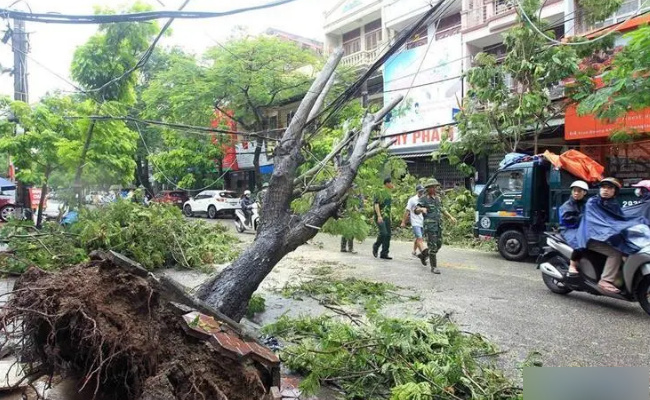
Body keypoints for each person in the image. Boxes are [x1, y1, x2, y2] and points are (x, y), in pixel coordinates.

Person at [580, 178, 625, 293]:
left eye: (609, 188)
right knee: (616, 253)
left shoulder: (614, 204)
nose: (606, 190)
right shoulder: (592, 203)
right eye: (603, 187)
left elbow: (621, 220)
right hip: (591, 237)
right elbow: (596, 223)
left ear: (615, 191)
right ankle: (605, 280)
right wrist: (611, 231)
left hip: (606, 238)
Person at [414, 179, 457, 274]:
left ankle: (424, 254)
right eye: (432, 187)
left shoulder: (438, 198)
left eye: (435, 187)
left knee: (439, 244)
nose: (434, 188)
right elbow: (416, 210)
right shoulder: (424, 198)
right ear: (428, 188)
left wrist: (450, 217)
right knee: (433, 246)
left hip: (438, 225)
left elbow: (442, 209)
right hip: (429, 226)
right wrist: (421, 209)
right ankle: (434, 267)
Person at [559, 180, 589, 276]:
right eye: (574, 190)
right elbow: (567, 220)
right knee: (579, 241)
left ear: (584, 192)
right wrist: (583, 218)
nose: (576, 193)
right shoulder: (567, 205)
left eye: (579, 191)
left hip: (583, 227)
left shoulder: (587, 203)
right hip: (569, 228)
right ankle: (572, 265)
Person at [401, 184, 427, 265]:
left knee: (418, 238)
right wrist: (403, 221)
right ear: (417, 191)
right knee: (420, 238)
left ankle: (414, 251)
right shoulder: (412, 200)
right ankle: (424, 253)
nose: (422, 192)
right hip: (415, 222)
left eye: (423, 191)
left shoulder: (424, 199)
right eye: (420, 191)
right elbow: (407, 211)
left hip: (422, 222)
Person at [372, 178, 394, 260]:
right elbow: (376, 204)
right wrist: (379, 216)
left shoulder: (389, 194)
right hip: (380, 216)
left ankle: (384, 253)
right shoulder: (379, 192)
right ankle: (376, 246)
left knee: (388, 235)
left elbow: (388, 207)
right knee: (383, 233)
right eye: (392, 183)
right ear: (387, 183)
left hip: (387, 217)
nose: (393, 185)